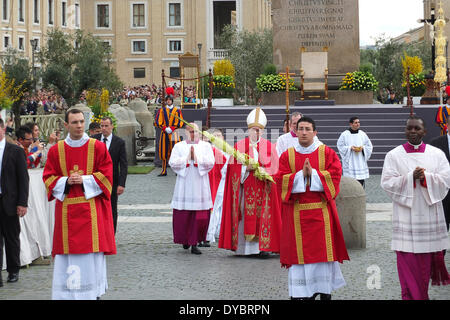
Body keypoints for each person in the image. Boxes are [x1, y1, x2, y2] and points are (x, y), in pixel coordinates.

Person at [43, 109, 116, 300]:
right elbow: (48, 178)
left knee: (91, 256)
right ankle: (68, 294)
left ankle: (93, 293)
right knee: (69, 256)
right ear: (66, 125)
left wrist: (84, 179)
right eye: (74, 122)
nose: (79, 126)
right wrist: (66, 181)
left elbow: (107, 175)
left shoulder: (97, 147)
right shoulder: (56, 150)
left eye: (82, 121)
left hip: (92, 210)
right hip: (66, 211)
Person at [275, 116, 349, 300]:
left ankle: (322, 291)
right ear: (295, 131)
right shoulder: (288, 155)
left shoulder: (327, 153)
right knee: (299, 260)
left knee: (322, 257)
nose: (304, 132)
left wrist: (314, 175)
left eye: (308, 129)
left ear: (315, 132)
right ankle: (300, 294)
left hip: (321, 214)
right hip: (296, 213)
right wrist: (300, 175)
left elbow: (335, 175)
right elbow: (280, 180)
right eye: (300, 129)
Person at [380, 115, 450, 300]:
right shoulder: (394, 155)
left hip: (429, 216)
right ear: (405, 131)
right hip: (405, 217)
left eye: (417, 128)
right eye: (409, 128)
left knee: (424, 265)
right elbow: (386, 183)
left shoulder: (436, 154)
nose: (412, 132)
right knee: (407, 261)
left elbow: (445, 180)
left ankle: (421, 295)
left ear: (424, 132)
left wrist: (426, 178)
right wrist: (410, 177)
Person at [219, 108, 282, 258]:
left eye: (259, 130)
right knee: (244, 215)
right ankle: (244, 248)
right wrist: (245, 169)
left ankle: (263, 248)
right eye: (254, 130)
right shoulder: (239, 146)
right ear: (248, 130)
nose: (257, 132)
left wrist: (264, 171)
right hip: (245, 189)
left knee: (263, 217)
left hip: (264, 190)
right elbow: (231, 170)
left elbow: (276, 169)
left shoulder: (270, 147)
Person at [169, 123, 215, 255]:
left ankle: (195, 242)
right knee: (184, 215)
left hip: (200, 184)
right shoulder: (179, 146)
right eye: (190, 132)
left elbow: (210, 162)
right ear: (185, 133)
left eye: (195, 131)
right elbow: (173, 162)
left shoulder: (206, 146)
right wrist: (187, 158)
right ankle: (185, 239)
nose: (192, 134)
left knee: (198, 216)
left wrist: (196, 158)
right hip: (184, 184)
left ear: (199, 132)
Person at [0, 118, 29, 286]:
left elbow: (23, 179)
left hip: (10, 201)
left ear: (3, 129)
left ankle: (13, 270)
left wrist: (22, 203)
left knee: (11, 238)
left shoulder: (15, 151)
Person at [93, 117, 128, 234]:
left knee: (112, 208)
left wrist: (121, 184)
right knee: (96, 207)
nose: (103, 128)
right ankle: (97, 232)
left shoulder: (119, 142)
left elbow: (123, 165)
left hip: (112, 181)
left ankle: (111, 233)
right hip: (95, 180)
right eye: (102, 126)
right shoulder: (94, 140)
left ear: (112, 126)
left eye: (106, 126)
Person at [205, 128, 230, 244]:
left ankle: (221, 231)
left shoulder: (229, 152)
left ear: (223, 138)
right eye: (214, 136)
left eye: (219, 135)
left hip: (224, 184)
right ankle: (210, 231)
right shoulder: (209, 151)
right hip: (211, 183)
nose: (217, 138)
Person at [154, 87, 184, 176]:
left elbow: (180, 122)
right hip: (164, 133)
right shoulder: (162, 110)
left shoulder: (177, 110)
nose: (168, 101)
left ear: (172, 101)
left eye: (170, 100)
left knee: (175, 151)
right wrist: (164, 128)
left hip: (174, 133)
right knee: (163, 152)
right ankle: (164, 170)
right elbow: (157, 122)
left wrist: (172, 128)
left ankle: (176, 170)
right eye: (167, 100)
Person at [337, 117, 373, 188]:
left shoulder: (362, 134)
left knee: (360, 182)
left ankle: (360, 194)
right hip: (350, 161)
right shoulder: (344, 134)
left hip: (360, 161)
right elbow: (340, 146)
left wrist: (363, 148)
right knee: (350, 182)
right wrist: (350, 148)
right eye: (356, 122)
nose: (358, 124)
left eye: (358, 122)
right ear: (351, 124)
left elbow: (369, 145)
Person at [430, 129, 450, 233]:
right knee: (442, 226)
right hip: (441, 191)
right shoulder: (435, 143)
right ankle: (441, 248)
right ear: (447, 126)